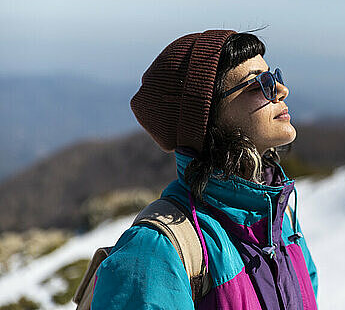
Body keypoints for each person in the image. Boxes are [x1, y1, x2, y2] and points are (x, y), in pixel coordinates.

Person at [91, 30, 318, 309]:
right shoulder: (156, 251)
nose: (282, 90)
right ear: (208, 115)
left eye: (273, 77)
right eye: (259, 83)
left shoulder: (280, 221)